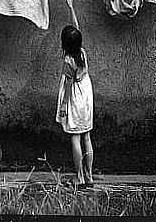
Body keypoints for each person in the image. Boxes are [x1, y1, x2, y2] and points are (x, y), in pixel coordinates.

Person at [56, 24, 94, 190]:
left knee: (75, 137)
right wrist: (71, 8)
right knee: (87, 136)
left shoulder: (68, 61)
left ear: (65, 44)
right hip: (86, 93)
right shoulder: (82, 52)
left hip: (76, 96)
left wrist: (63, 106)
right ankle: (89, 176)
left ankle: (79, 177)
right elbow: (77, 28)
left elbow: (69, 86)